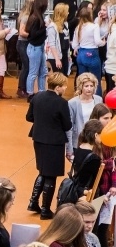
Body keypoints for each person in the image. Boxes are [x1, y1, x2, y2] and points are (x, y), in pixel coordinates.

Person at [26, 72, 73, 220]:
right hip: (54, 142)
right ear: (58, 87)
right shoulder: (61, 103)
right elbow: (67, 125)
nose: (65, 88)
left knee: (43, 171)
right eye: (64, 86)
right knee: (51, 175)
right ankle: (46, 209)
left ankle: (33, 202)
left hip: (38, 139)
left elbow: (29, 117)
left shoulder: (37, 97)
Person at [66, 73, 103, 159]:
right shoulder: (72, 103)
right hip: (79, 142)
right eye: (86, 86)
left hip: (95, 141)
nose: (89, 89)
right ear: (81, 87)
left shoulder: (99, 99)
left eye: (91, 86)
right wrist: (69, 149)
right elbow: (69, 127)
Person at [68, 120, 104, 202]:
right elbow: (99, 181)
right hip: (85, 195)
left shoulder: (79, 149)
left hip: (75, 191)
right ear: (96, 135)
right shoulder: (94, 158)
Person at [72, 7, 105, 96]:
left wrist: (77, 48)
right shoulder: (94, 26)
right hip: (92, 54)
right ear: (90, 15)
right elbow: (97, 42)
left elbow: (74, 44)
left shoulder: (78, 27)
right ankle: (97, 100)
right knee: (95, 80)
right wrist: (103, 42)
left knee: (83, 80)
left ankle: (83, 98)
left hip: (81, 54)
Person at [25, 0, 50, 97]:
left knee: (43, 72)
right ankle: (30, 94)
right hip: (35, 48)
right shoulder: (36, 18)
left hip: (39, 47)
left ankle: (41, 92)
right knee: (33, 73)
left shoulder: (37, 16)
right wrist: (45, 27)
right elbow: (33, 34)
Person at [16, 0, 35, 98]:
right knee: (26, 66)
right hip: (23, 43)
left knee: (26, 66)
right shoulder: (26, 17)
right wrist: (33, 35)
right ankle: (21, 88)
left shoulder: (29, 15)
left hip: (26, 43)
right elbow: (21, 32)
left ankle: (24, 88)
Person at [45, 3, 67, 75]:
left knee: (63, 76)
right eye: (67, 11)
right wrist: (57, 59)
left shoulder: (65, 25)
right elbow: (52, 44)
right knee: (57, 78)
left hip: (62, 55)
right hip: (53, 57)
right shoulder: (52, 27)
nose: (68, 13)